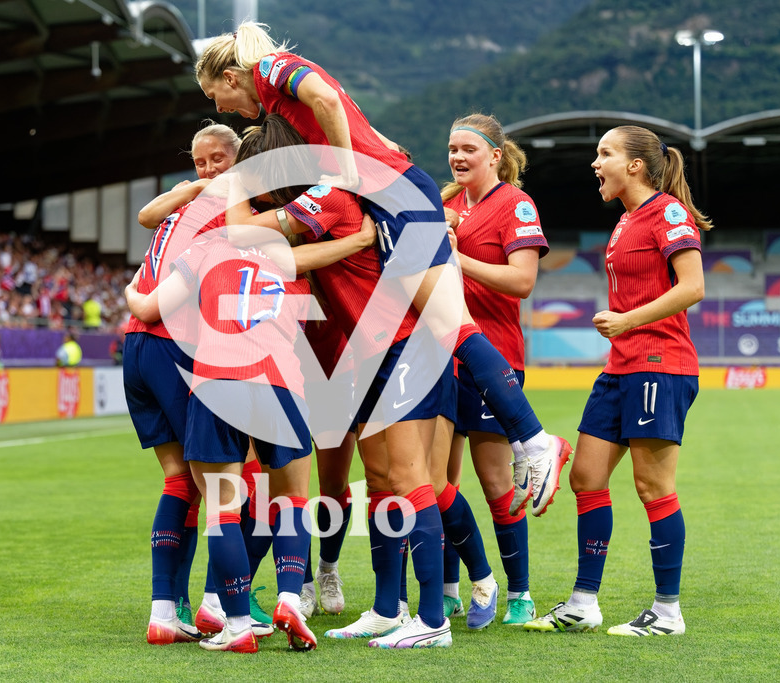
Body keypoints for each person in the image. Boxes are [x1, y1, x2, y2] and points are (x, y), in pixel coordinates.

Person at [196, 23, 572, 648]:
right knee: (397, 472)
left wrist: (341, 173)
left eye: (218, 97)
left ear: (232, 77)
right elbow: (343, 118)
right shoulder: (297, 128)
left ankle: (531, 443)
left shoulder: (275, 76)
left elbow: (319, 99)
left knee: (448, 345)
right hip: (378, 315)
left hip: (393, 308)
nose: (222, 110)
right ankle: (396, 606)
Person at [125, 185, 376, 653]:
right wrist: (360, 240)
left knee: (222, 511)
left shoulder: (205, 246)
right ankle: (289, 600)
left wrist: (131, 287)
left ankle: (237, 625)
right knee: (293, 501)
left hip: (217, 383)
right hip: (281, 383)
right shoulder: (290, 254)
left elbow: (147, 309)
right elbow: (320, 284)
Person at [524, 125, 709, 636]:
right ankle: (584, 602)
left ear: (635, 165)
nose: (595, 162)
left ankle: (668, 612)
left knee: (653, 486)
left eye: (605, 153)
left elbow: (693, 286)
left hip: (659, 362)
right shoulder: (626, 221)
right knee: (586, 478)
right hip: (620, 367)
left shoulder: (668, 212)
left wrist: (628, 320)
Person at [124, 122, 243, 646]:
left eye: (218, 158)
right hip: (173, 345)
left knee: (181, 479)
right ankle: (210, 606)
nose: (209, 168)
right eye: (200, 161)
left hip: (138, 345)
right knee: (215, 483)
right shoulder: (225, 207)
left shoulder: (181, 206)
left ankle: (165, 613)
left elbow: (147, 215)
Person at [441, 113, 549, 627]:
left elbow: (522, 281)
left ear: (495, 155)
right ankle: (447, 589)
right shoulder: (445, 205)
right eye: (452, 149)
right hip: (439, 358)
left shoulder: (515, 205)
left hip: (493, 357)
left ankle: (520, 593)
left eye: (468, 149)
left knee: (493, 482)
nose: (458, 158)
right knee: (438, 480)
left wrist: (456, 258)